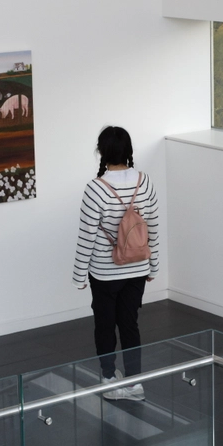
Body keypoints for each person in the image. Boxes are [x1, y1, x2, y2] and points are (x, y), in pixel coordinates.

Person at [72, 126, 160, 401]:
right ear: (129, 151)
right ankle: (135, 383)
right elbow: (153, 228)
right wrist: (153, 266)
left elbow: (86, 235)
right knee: (130, 324)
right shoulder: (145, 182)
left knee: (105, 325)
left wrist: (78, 276)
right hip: (137, 267)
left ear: (102, 152)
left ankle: (110, 379)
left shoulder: (95, 188)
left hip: (105, 271)